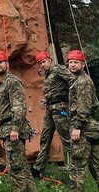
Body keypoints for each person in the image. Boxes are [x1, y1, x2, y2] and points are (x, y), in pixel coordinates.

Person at [67, 49, 99, 192]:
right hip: (91, 128)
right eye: (70, 62)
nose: (72, 65)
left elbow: (84, 106)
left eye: (76, 62)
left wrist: (77, 126)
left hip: (84, 128)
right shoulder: (77, 80)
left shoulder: (82, 82)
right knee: (97, 166)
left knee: (77, 168)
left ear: (83, 64)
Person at [0, 50, 36, 192]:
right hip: (7, 128)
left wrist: (14, 129)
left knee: (16, 170)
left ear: (7, 64)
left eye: (0, 62)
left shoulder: (12, 82)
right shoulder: (3, 82)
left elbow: (19, 106)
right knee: (22, 167)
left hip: (13, 127)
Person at [31, 50, 72, 179]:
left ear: (49, 59)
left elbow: (73, 80)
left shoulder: (58, 69)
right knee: (45, 138)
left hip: (60, 107)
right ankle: (38, 168)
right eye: (40, 63)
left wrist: (69, 101)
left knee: (66, 137)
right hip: (50, 108)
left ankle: (78, 165)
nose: (42, 65)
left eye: (43, 62)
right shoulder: (48, 74)